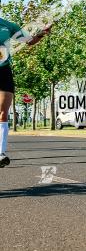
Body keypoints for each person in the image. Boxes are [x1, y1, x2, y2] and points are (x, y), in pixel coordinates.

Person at [0, 17, 50, 167]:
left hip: (3, 71)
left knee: (3, 112)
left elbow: (29, 41)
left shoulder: (7, 25)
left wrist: (42, 33)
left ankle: (0, 153)